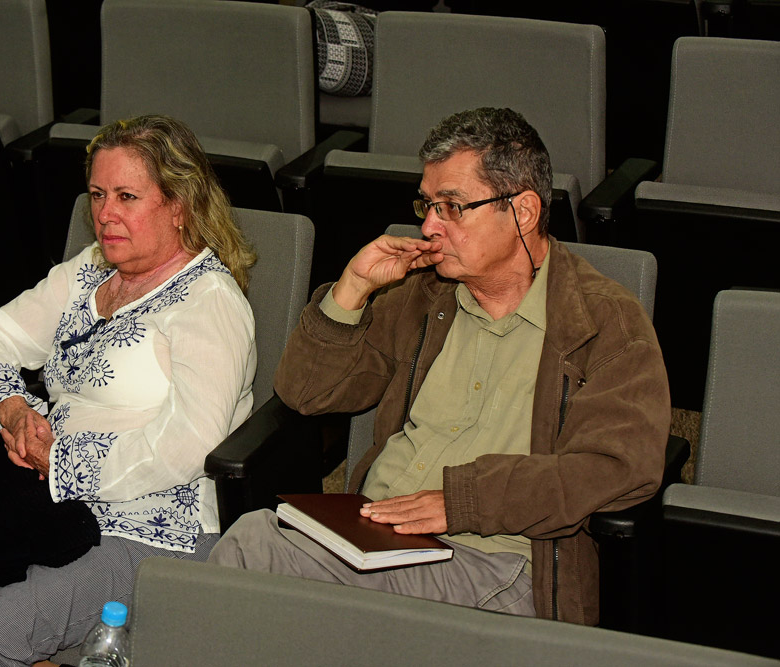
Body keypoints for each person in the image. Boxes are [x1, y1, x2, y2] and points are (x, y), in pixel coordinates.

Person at [209, 107, 670, 625]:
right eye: (427, 205)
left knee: (255, 550)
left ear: (523, 211)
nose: (429, 226)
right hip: (375, 540)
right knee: (261, 563)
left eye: (452, 207)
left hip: (499, 566)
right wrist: (352, 290)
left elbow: (618, 468)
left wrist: (464, 501)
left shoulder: (603, 321)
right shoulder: (423, 297)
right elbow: (307, 394)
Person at [0, 114, 258, 665]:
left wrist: (61, 460)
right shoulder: (89, 272)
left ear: (179, 205)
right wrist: (13, 410)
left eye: (127, 196)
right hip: (44, 492)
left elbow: (187, 446)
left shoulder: (209, 303)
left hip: (148, 523)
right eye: (98, 194)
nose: (105, 214)